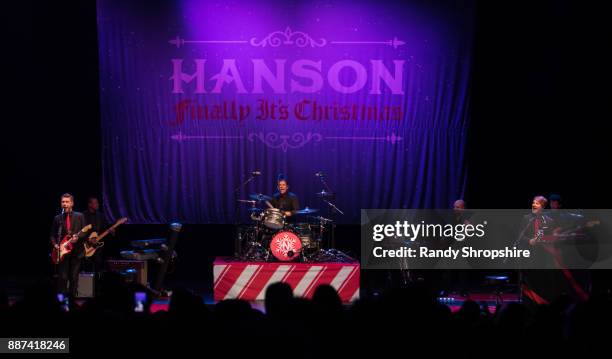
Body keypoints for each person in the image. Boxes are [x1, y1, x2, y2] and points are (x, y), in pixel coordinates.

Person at [50, 193, 86, 297]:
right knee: (63, 277)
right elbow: (52, 234)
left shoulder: (80, 216)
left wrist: (78, 238)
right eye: (63, 202)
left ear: (72, 203)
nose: (64, 204)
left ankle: (72, 300)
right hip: (62, 252)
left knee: (74, 277)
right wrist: (55, 245)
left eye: (67, 202)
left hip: (76, 251)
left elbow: (85, 232)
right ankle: (61, 301)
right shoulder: (58, 218)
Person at [82, 196, 112, 276]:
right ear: (89, 204)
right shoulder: (83, 216)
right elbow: (80, 231)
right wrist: (88, 239)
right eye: (95, 203)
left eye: (97, 203)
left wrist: (111, 230)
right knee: (87, 269)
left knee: (98, 267)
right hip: (86, 246)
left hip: (98, 247)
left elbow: (105, 228)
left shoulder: (101, 216)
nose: (97, 205)